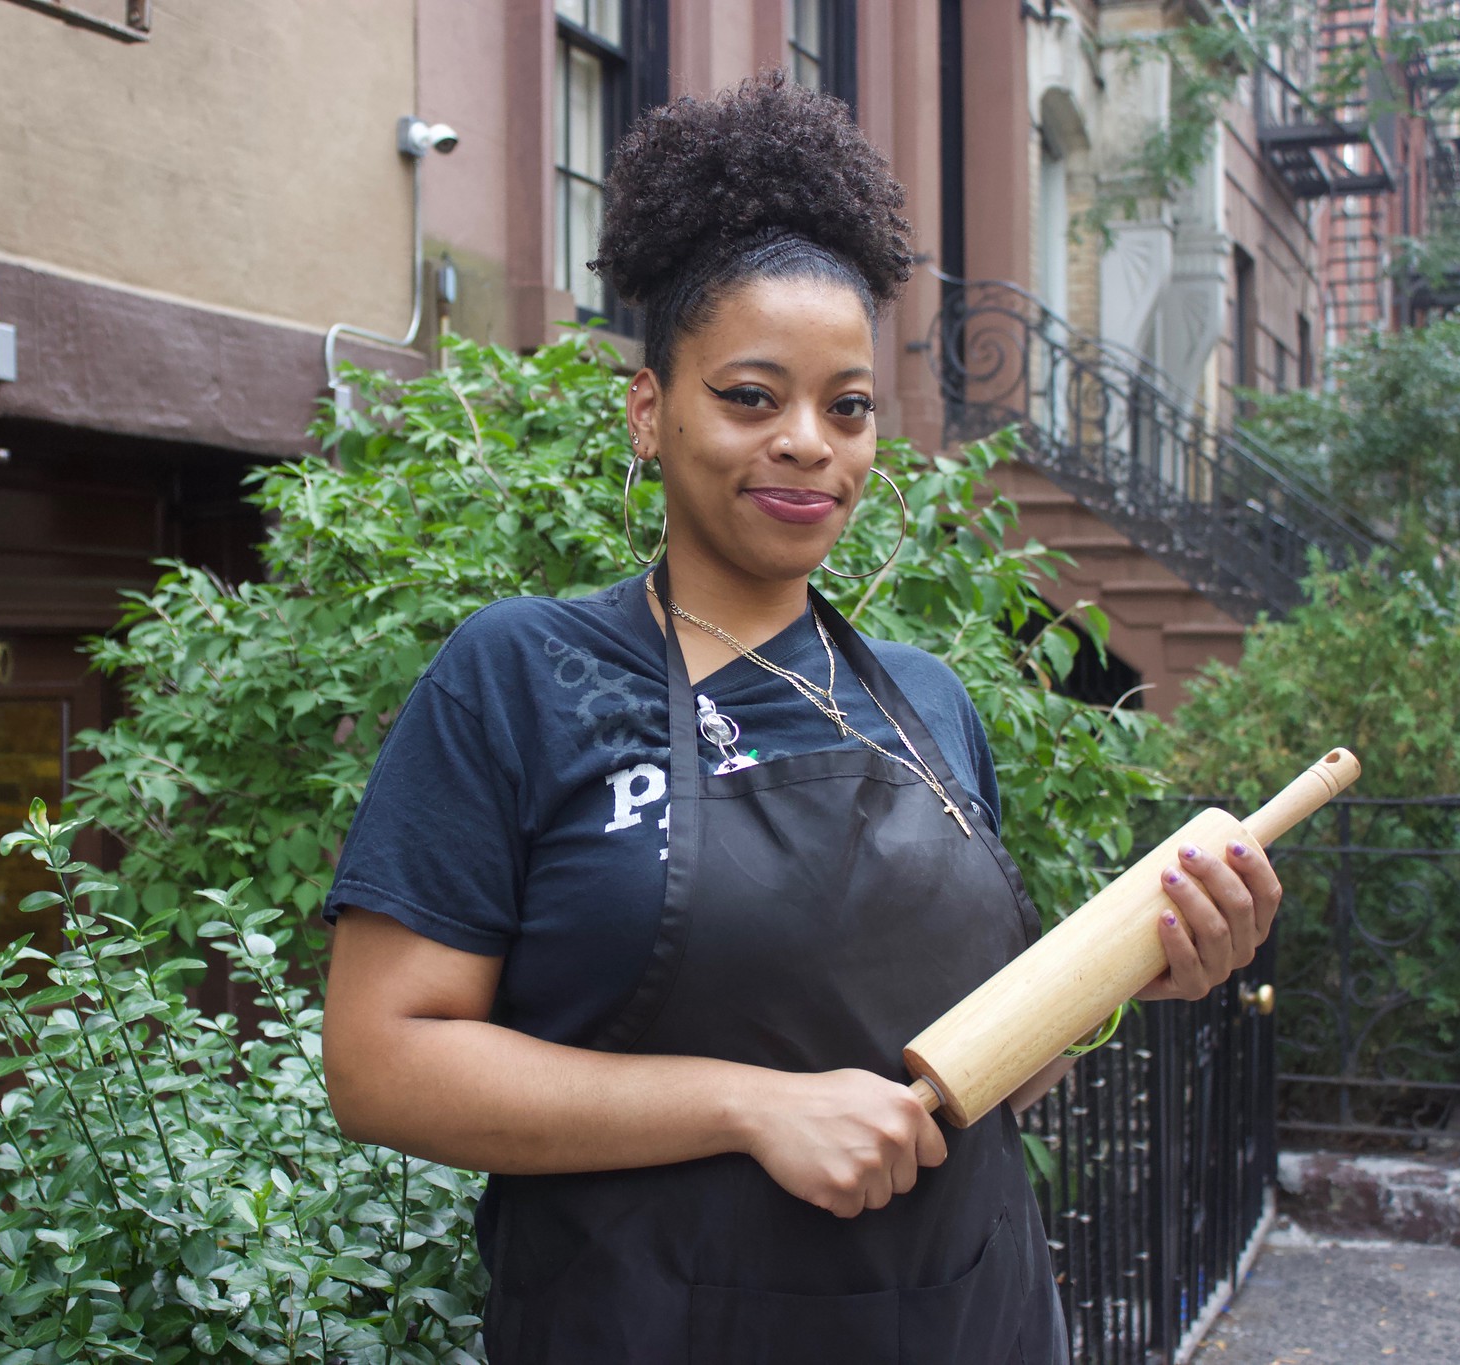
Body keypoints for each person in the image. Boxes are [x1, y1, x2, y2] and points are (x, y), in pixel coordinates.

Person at [321, 72, 1282, 1364]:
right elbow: (380, 1060)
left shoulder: (931, 701)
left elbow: (955, 1080)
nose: (809, 446)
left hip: (971, 1327)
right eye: (752, 396)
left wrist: (1133, 977)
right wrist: (750, 1107)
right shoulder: (524, 678)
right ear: (651, 410)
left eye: (848, 405)